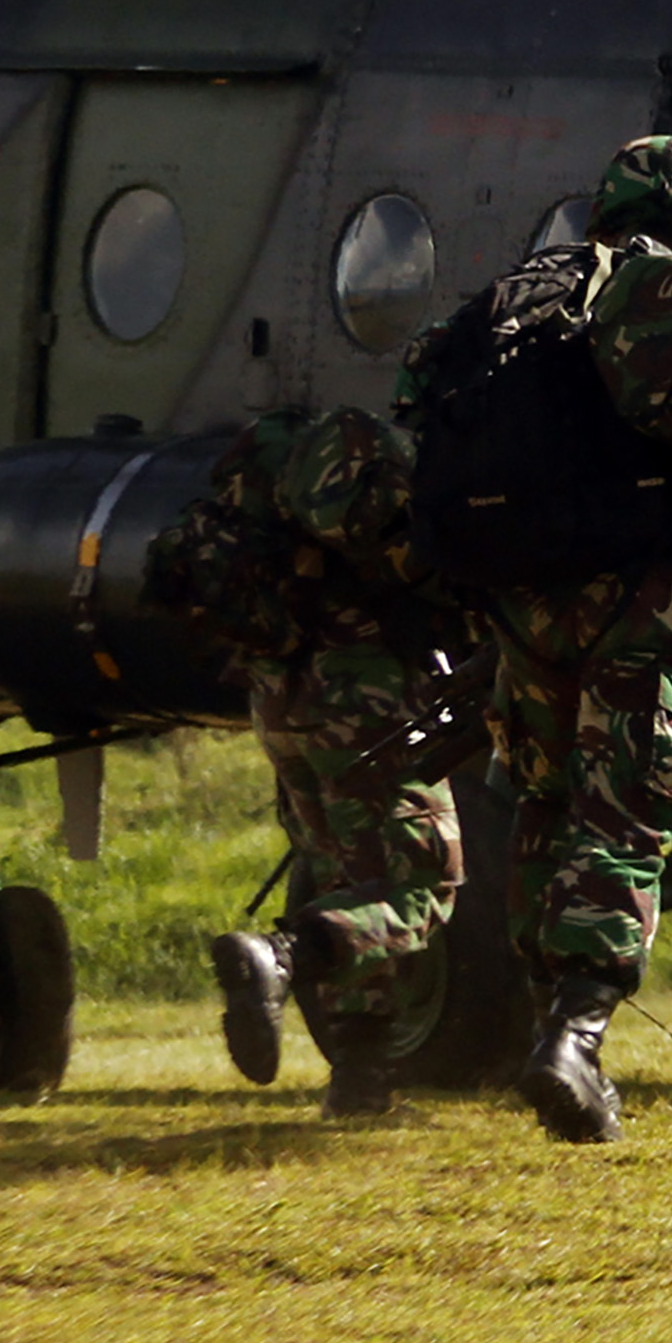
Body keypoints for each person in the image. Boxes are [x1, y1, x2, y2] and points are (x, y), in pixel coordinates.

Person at [411, 133, 672, 1145]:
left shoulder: (531, 301)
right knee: (628, 809)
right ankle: (577, 1036)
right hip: (651, 596)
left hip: (524, 595)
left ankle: (549, 1015)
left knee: (548, 804)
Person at [148, 406, 470, 1117]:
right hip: (365, 697)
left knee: (347, 876)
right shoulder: (379, 471)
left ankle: (360, 1083)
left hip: (278, 695)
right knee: (423, 884)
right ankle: (280, 956)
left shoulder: (270, 469)